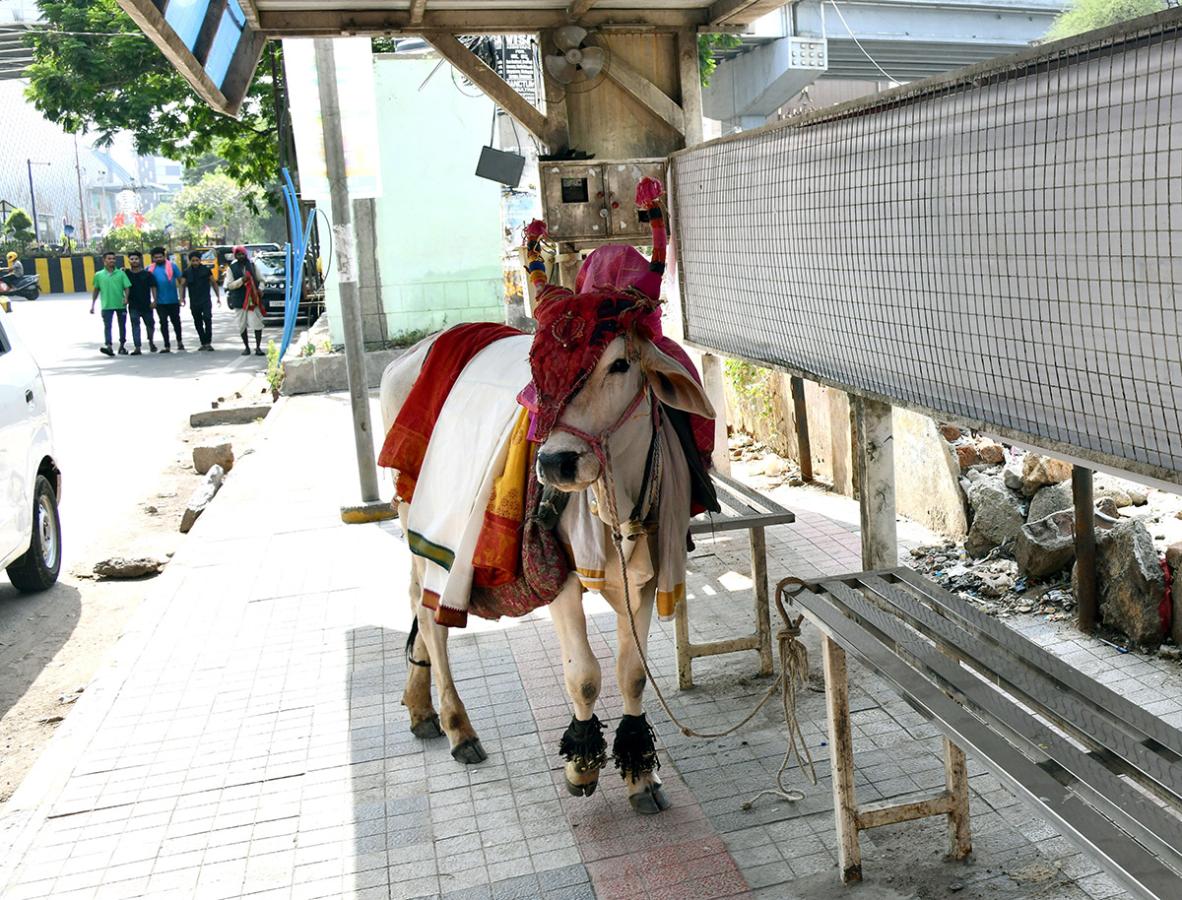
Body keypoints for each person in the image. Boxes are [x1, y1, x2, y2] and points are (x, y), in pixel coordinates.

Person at [223, 245, 265, 356]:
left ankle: (258, 347)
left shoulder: (252, 265)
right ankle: (246, 347)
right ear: (235, 256)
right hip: (239, 301)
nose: (241, 256)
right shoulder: (231, 268)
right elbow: (229, 285)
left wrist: (260, 289)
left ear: (245, 254)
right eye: (238, 254)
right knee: (241, 325)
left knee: (257, 324)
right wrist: (242, 280)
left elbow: (261, 280)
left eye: (242, 254)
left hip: (253, 300)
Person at [89, 251, 130, 356]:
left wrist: (126, 298)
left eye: (113, 258)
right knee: (107, 326)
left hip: (120, 304)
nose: (112, 260)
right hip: (106, 305)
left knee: (122, 325)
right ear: (104, 260)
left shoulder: (121, 273)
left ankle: (122, 346)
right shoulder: (98, 275)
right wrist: (93, 305)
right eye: (109, 258)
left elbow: (126, 287)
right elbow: (96, 290)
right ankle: (109, 346)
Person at [148, 247, 185, 352]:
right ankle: (167, 345)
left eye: (161, 256)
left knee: (176, 322)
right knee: (163, 323)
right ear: (153, 258)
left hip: (173, 301)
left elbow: (181, 281)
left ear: (164, 256)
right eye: (156, 257)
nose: (159, 259)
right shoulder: (150, 269)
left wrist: (181, 297)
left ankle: (179, 342)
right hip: (159, 302)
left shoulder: (172, 266)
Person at [181, 251, 219, 351]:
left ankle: (208, 342)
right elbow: (182, 285)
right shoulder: (187, 272)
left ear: (200, 260)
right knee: (197, 321)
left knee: (207, 318)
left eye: (197, 260)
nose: (195, 263)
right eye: (193, 261)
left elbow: (214, 283)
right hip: (194, 301)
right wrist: (182, 298)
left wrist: (218, 296)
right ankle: (203, 342)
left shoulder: (206, 270)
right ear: (190, 261)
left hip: (205, 300)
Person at [125, 251, 157, 355]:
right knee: (135, 325)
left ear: (140, 260)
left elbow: (153, 287)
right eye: (132, 259)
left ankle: (151, 341)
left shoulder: (147, 274)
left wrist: (154, 300)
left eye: (136, 259)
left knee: (150, 324)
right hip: (133, 305)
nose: (134, 261)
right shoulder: (126, 274)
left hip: (146, 305)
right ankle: (137, 347)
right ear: (129, 261)